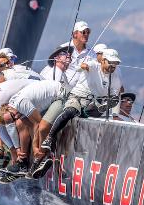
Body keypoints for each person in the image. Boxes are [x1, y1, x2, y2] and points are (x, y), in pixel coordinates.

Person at [32, 49, 124, 178]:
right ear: (103, 60)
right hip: (78, 97)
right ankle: (49, 138)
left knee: (81, 129)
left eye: (115, 64)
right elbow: (85, 66)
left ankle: (64, 163)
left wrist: (111, 102)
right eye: (110, 63)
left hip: (94, 105)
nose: (113, 67)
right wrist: (84, 66)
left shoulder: (115, 76)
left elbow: (115, 95)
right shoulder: (93, 65)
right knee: (70, 112)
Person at [0, 80, 68, 175]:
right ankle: (27, 161)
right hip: (53, 98)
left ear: (8, 108)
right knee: (22, 124)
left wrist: (35, 147)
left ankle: (43, 158)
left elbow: (37, 123)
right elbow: (31, 126)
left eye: (13, 116)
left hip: (61, 96)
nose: (16, 117)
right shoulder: (13, 107)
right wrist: (24, 148)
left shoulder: (21, 103)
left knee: (43, 127)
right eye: (13, 120)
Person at [63, 21, 97, 87]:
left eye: (88, 32)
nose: (86, 34)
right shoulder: (63, 49)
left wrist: (89, 67)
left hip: (82, 92)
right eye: (83, 32)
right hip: (64, 89)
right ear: (75, 34)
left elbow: (96, 69)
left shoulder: (92, 53)